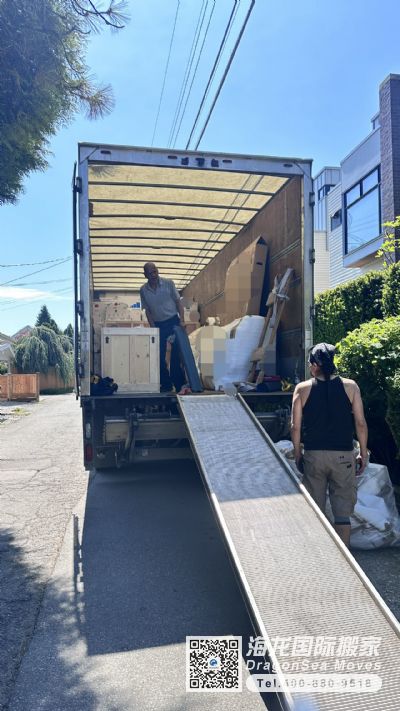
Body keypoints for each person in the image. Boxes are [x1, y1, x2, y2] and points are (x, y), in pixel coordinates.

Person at [291, 342, 368, 547]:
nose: (309, 366)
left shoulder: (302, 389)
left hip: (314, 456)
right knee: (342, 513)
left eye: (310, 363)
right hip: (344, 456)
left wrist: (298, 453)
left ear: (315, 364)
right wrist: (363, 453)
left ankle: (320, 555)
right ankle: (345, 557)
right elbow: (360, 423)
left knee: (315, 510)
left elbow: (295, 427)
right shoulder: (351, 387)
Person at [140, 262, 186, 393]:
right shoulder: (143, 290)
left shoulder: (168, 283)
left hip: (173, 322)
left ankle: (179, 384)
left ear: (157, 270)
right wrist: (153, 328)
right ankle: (166, 384)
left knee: (176, 355)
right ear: (145, 275)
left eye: (155, 271)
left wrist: (182, 320)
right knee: (158, 355)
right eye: (150, 273)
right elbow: (147, 311)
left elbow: (178, 303)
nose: (154, 275)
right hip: (158, 325)